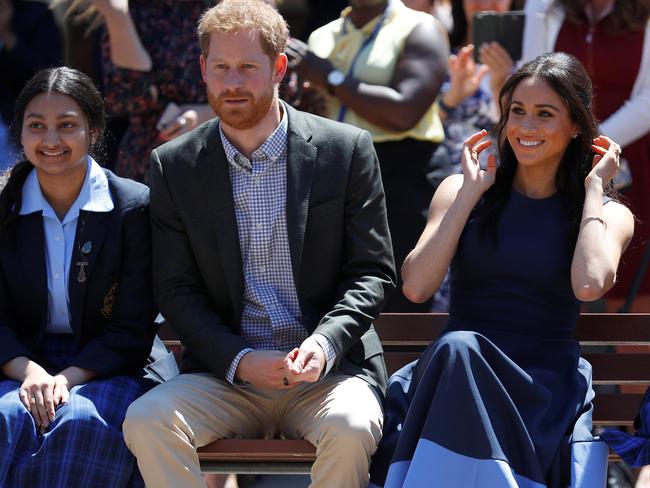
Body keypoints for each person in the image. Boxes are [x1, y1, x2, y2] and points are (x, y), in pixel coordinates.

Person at [121, 1, 396, 488]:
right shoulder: (175, 165)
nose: (232, 83)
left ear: (279, 68)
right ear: (203, 69)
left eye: (248, 67)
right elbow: (175, 289)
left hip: (328, 375)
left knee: (351, 428)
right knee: (147, 419)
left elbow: (371, 273)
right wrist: (241, 360)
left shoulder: (345, 150)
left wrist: (324, 343)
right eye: (221, 67)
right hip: (226, 377)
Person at [369, 52, 634, 487]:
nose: (525, 128)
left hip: (541, 387)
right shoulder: (462, 189)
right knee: (461, 349)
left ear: (575, 127)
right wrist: (470, 195)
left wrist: (592, 188)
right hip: (456, 374)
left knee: (461, 350)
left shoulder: (605, 213)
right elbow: (416, 286)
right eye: (518, 112)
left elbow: (588, 284)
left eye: (544, 114)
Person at [0, 66, 177, 487]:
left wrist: (64, 379)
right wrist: (31, 374)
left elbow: (132, 326)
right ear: (21, 134)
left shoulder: (132, 207)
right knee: (7, 416)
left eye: (67, 126)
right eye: (36, 126)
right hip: (19, 363)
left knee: (79, 419)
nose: (51, 140)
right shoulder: (3, 208)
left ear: (94, 131)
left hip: (110, 365)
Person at [286, 0, 448, 312]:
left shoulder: (420, 27)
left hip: (402, 174)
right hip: (334, 170)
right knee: (335, 284)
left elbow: (405, 110)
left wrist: (331, 78)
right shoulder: (323, 35)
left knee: (400, 290)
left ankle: (404, 362)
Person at [520, 0, 650, 309]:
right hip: (555, 163)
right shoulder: (547, 9)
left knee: (634, 297)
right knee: (556, 281)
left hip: (635, 166)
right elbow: (532, 77)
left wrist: (589, 141)